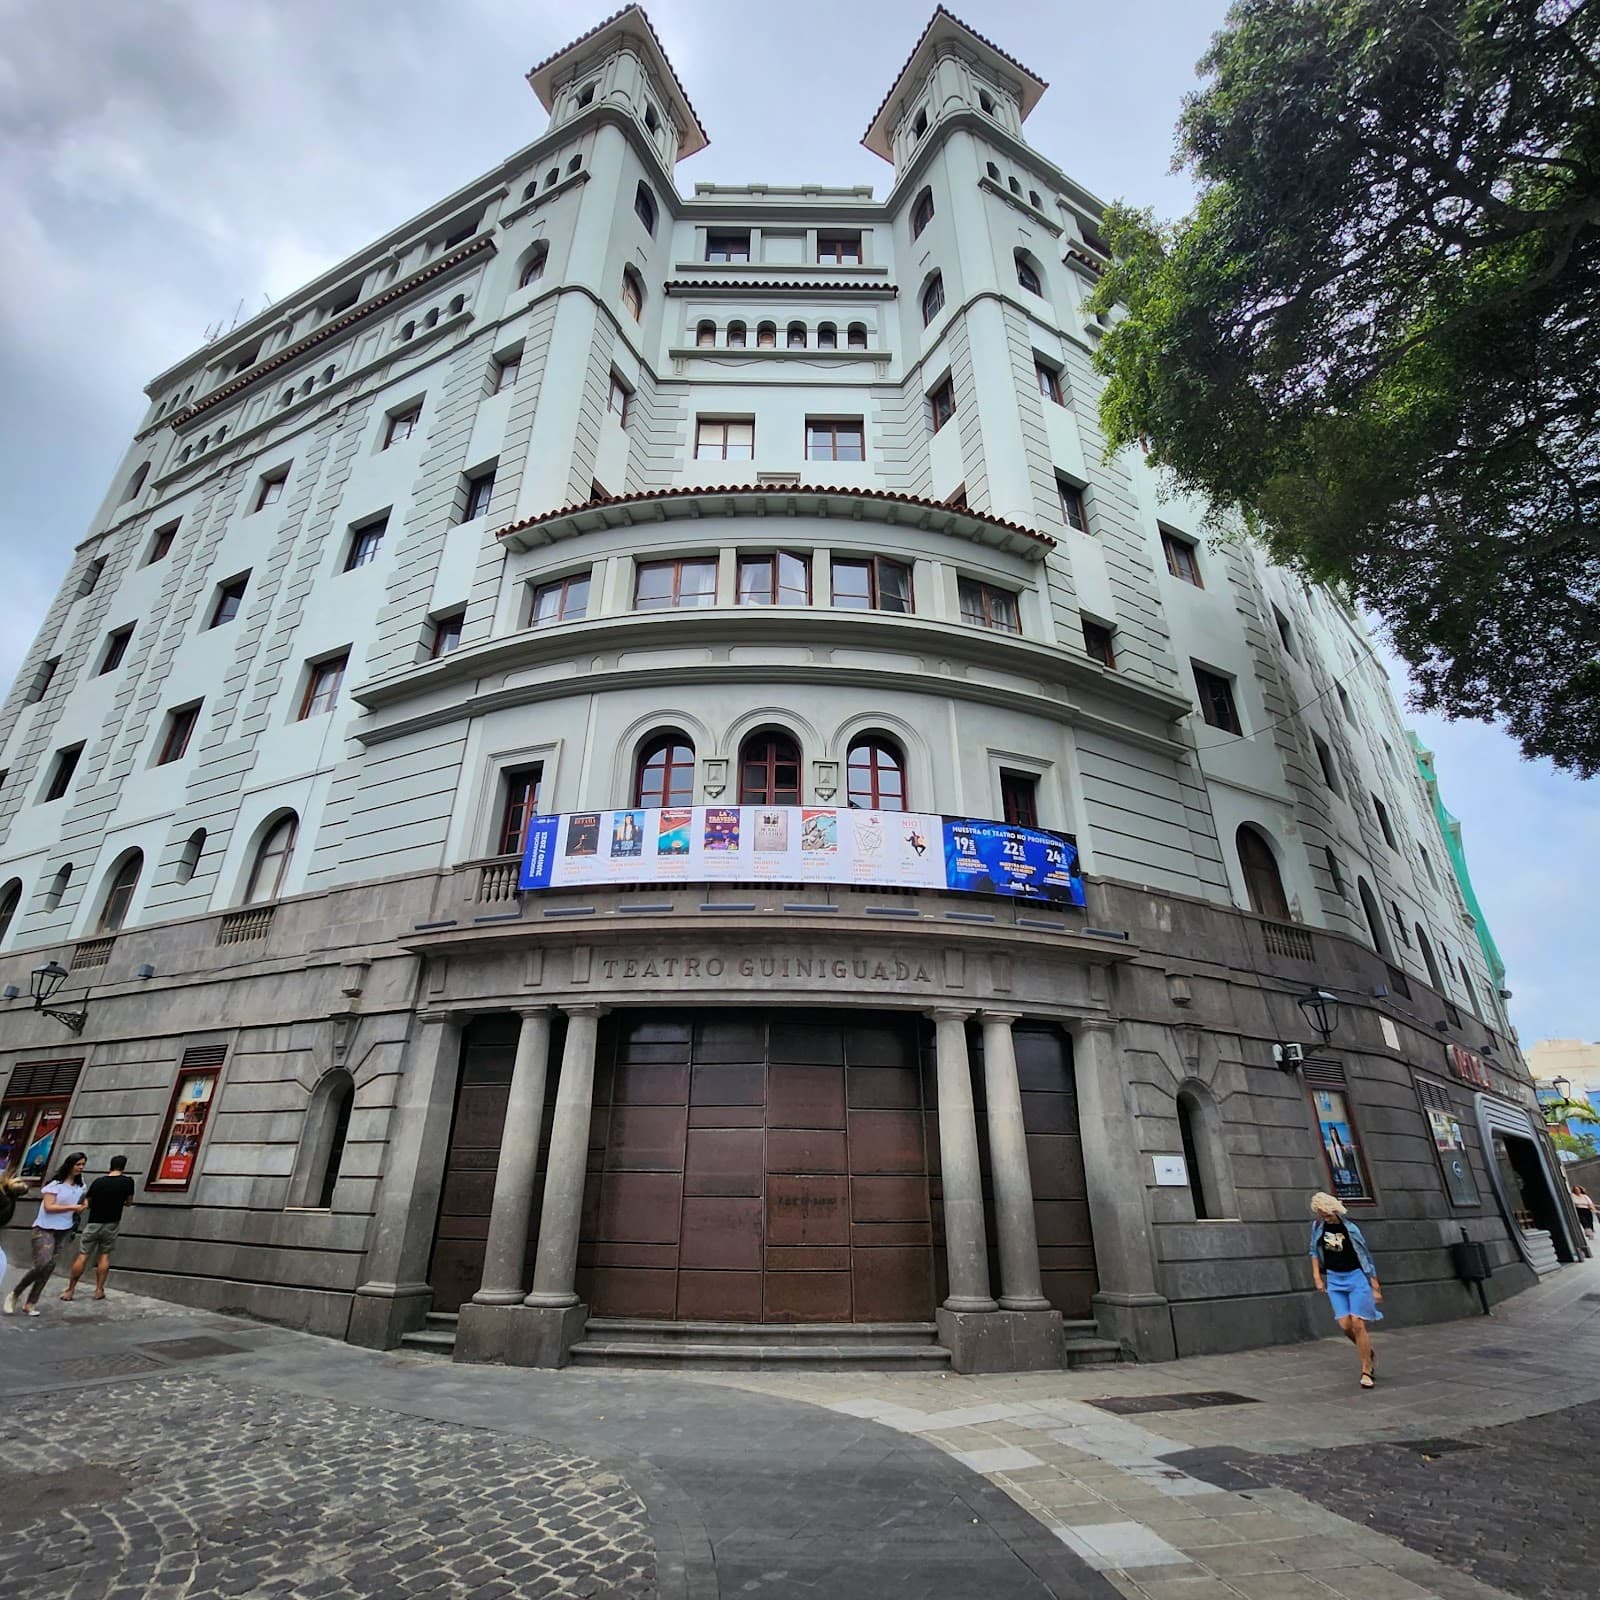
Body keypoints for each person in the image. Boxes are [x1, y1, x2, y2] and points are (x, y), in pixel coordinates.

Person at [1308, 1190, 1383, 1389]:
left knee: (1358, 1323)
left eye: (1327, 1213)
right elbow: (1313, 1250)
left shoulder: (1350, 1229)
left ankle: (1366, 1368)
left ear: (1335, 1210)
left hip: (1355, 1277)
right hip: (1334, 1279)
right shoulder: (1317, 1227)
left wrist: (1374, 1284)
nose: (1324, 1216)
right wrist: (1317, 1276)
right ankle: (1368, 1351)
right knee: (1345, 1326)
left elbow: (1365, 1255)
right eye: (1321, 1213)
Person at [3, 1151, 87, 1317]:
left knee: (49, 1267)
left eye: (83, 1165)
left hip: (64, 1229)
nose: (81, 1168)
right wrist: (72, 1208)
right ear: (70, 1165)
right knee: (42, 1263)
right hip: (44, 1228)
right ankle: (15, 1294)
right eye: (78, 1164)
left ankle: (31, 1303)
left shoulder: (80, 1185)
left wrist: (82, 1206)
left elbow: (83, 1200)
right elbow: (49, 1206)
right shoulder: (54, 1185)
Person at [61, 1154, 136, 1302]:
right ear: (123, 1166)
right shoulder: (128, 1182)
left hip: (94, 1222)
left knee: (83, 1255)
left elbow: (88, 1202)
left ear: (110, 1165)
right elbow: (129, 1202)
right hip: (112, 1224)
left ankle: (70, 1290)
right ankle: (99, 1289)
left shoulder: (98, 1182)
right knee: (104, 1255)